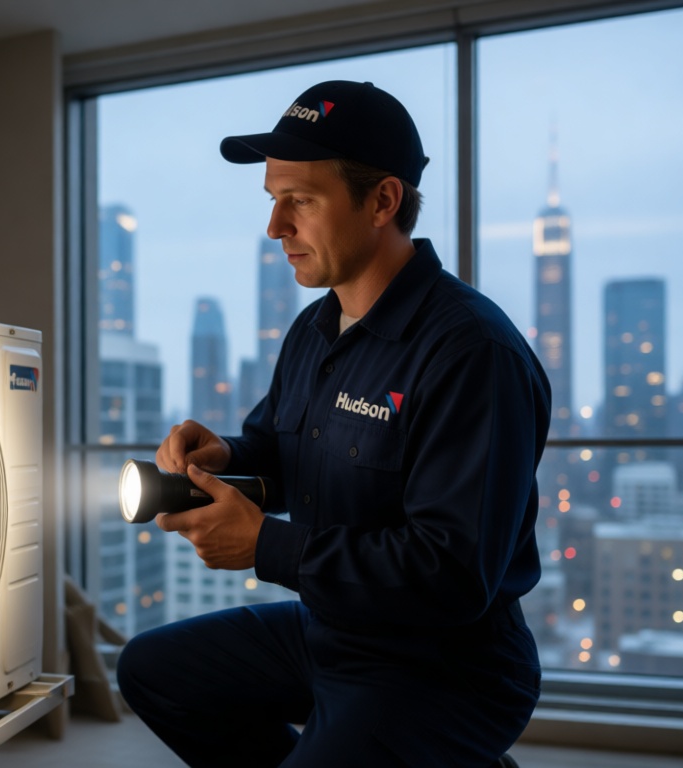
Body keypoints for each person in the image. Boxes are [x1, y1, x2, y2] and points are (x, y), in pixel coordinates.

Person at [116, 80, 551, 768]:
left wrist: (267, 547)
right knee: (150, 671)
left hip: (445, 666)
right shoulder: (316, 330)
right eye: (273, 200)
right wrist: (226, 452)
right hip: (333, 631)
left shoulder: (471, 352)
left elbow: (452, 573)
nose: (275, 227)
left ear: (383, 200)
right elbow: (284, 455)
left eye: (302, 201)